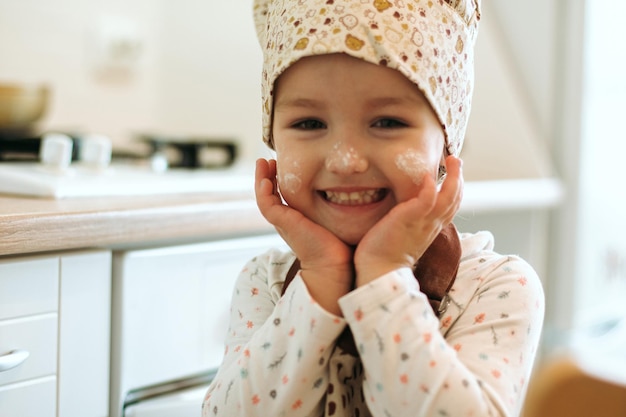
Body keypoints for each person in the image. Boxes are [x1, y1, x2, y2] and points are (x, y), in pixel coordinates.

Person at [202, 0, 544, 416]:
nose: (345, 160)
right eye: (310, 124)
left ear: (445, 146)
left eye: (387, 123)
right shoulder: (266, 284)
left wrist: (385, 272)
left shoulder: (497, 287)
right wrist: (321, 278)